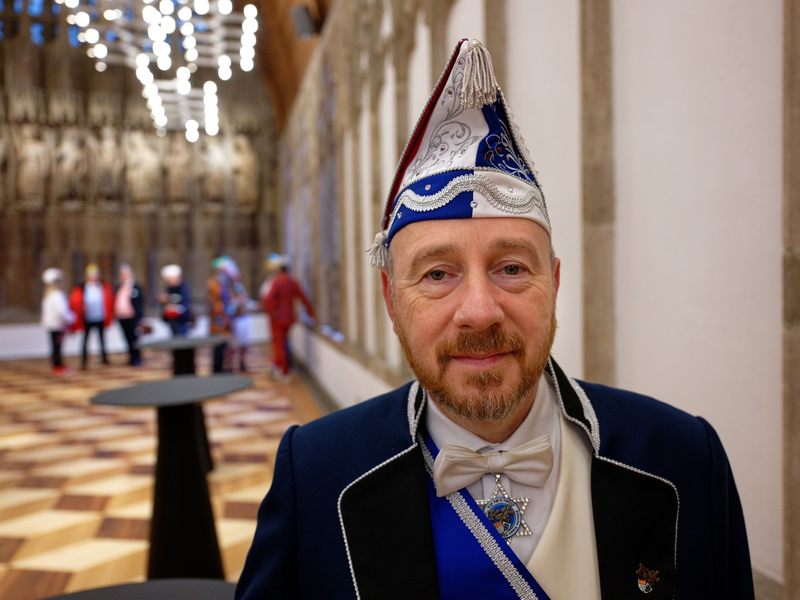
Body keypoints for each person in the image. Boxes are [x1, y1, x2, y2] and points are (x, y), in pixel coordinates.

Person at [236, 39, 754, 599]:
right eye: (437, 274)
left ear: (553, 284)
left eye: (511, 268)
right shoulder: (315, 475)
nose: (479, 311)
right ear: (391, 299)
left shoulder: (683, 459)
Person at [261, 255, 315, 381]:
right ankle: (276, 364)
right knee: (284, 343)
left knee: (279, 344)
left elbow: (268, 299)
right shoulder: (292, 281)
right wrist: (311, 313)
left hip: (277, 319)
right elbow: (303, 297)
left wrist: (271, 312)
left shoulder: (276, 282)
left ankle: (284, 372)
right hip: (289, 319)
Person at [69, 264, 114, 369]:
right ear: (87, 276)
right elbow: (75, 302)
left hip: (100, 317)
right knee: (85, 340)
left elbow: (109, 300)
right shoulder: (81, 287)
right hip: (87, 318)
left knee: (102, 339)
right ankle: (84, 360)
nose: (94, 277)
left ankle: (104, 358)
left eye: (95, 275)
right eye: (91, 275)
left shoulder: (103, 286)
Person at [40, 268, 75, 376]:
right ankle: (58, 366)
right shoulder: (57, 296)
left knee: (56, 346)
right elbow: (62, 312)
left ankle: (58, 365)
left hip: (53, 325)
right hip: (57, 326)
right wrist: (72, 319)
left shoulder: (50, 295)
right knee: (57, 347)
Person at [207, 256, 236, 373]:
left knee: (225, 344)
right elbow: (216, 300)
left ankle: (224, 367)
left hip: (225, 318)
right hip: (219, 318)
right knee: (218, 344)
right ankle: (217, 369)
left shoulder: (225, 283)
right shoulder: (215, 283)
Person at [114, 264, 144, 366]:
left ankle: (137, 357)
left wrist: (138, 317)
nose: (124, 277)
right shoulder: (119, 287)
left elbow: (139, 303)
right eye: (122, 275)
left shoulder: (135, 287)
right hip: (122, 317)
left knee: (134, 338)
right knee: (127, 338)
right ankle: (131, 357)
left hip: (132, 317)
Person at [158, 264, 193, 336]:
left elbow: (184, 302)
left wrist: (174, 307)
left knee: (181, 336)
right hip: (171, 318)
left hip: (181, 318)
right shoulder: (169, 288)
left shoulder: (182, 288)